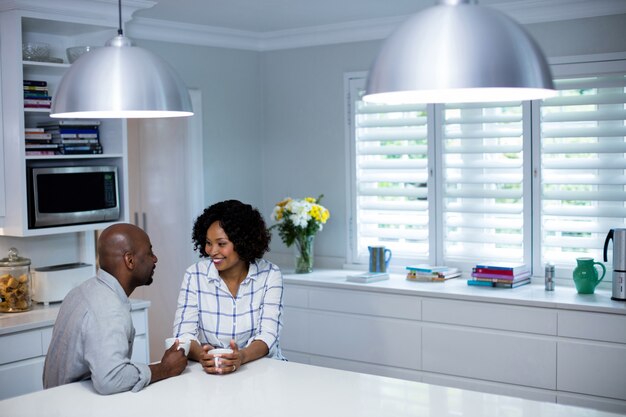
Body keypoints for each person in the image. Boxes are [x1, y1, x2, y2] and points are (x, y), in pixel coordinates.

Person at [43, 223, 188, 394]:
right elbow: (109, 380)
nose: (155, 259)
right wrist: (165, 369)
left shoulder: (83, 291)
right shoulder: (109, 308)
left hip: (56, 399)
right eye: (149, 253)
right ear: (130, 260)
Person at [173, 200, 285, 375]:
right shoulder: (195, 275)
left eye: (221, 244)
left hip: (261, 370)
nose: (212, 251)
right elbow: (183, 335)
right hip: (210, 372)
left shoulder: (270, 274)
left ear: (242, 242)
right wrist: (203, 355)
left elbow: (268, 335)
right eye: (208, 243)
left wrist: (241, 356)